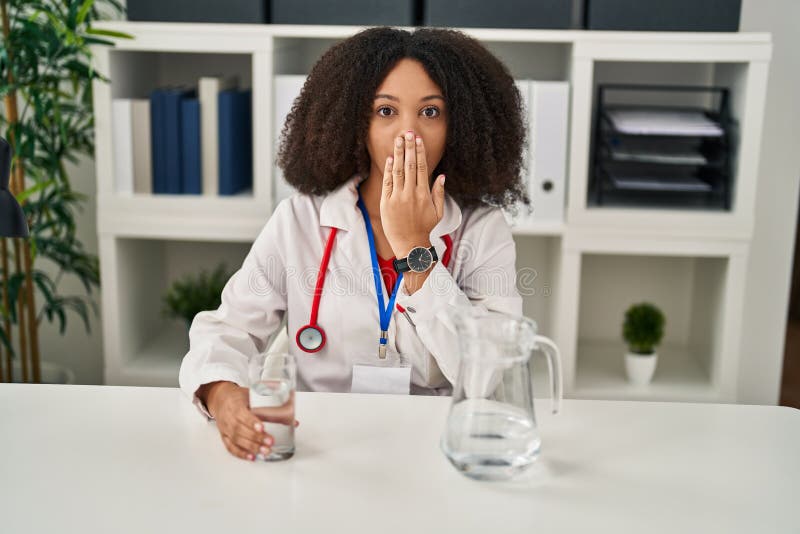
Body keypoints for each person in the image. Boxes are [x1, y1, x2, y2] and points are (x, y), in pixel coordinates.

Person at [178, 26, 530, 461]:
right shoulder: (300, 220)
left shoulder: (481, 229)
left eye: (431, 112)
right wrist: (223, 395)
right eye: (386, 110)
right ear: (354, 121)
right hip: (322, 448)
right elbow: (227, 329)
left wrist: (414, 250)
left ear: (460, 125)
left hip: (435, 449)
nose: (409, 134)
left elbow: (488, 378)